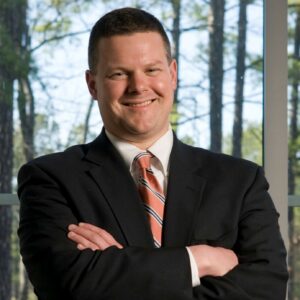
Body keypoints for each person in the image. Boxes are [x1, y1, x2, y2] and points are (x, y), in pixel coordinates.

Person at [18, 7, 288, 300]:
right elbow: (65, 284)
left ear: (172, 74)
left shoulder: (241, 180)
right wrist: (199, 260)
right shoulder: (51, 179)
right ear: (93, 84)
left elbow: (266, 289)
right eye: (119, 74)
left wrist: (115, 272)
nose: (138, 86)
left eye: (151, 70)